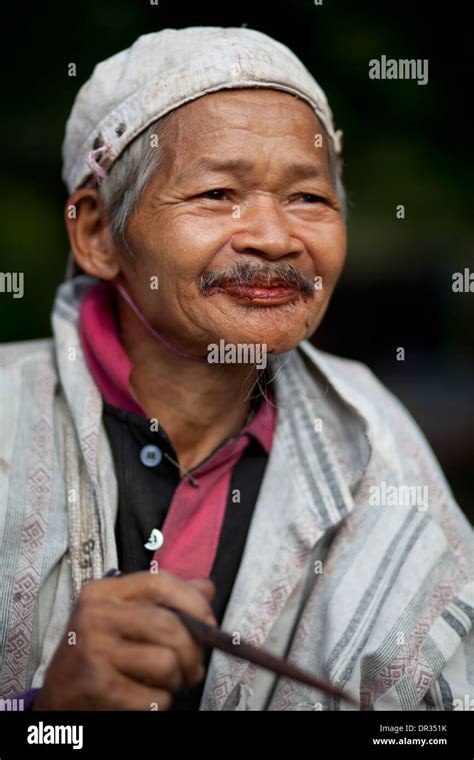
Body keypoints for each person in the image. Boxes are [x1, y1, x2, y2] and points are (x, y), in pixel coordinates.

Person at [0, 26, 472, 712]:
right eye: (218, 193)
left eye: (308, 198)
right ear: (99, 233)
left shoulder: (375, 446)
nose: (276, 238)